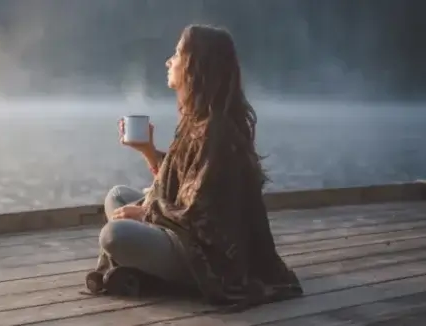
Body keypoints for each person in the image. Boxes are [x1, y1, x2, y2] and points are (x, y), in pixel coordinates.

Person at [84, 24, 303, 312]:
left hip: (208, 256)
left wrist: (146, 213)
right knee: (118, 196)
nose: (169, 61)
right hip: (181, 229)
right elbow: (183, 184)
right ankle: (144, 264)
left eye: (176, 54)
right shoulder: (197, 120)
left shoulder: (217, 132)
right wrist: (148, 151)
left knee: (115, 236)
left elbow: (202, 214)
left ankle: (164, 275)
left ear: (194, 66)